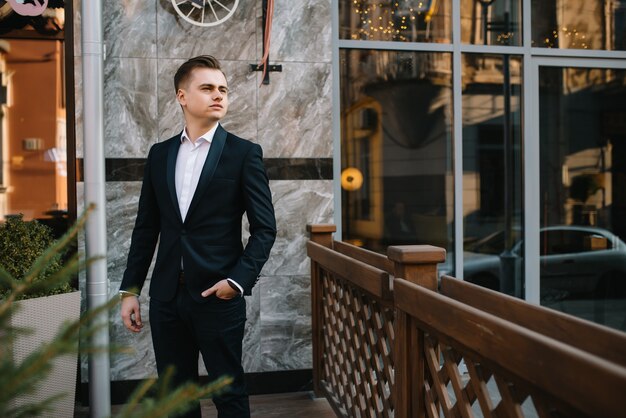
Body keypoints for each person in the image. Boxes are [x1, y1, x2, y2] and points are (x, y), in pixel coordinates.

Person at [119, 55, 277, 418]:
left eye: (223, 89)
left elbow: (265, 228)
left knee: (229, 392)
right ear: (182, 96)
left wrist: (237, 281)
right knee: (176, 397)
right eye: (207, 88)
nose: (218, 95)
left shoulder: (243, 154)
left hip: (218, 296)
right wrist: (131, 290)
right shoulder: (160, 155)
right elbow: (146, 228)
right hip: (166, 298)